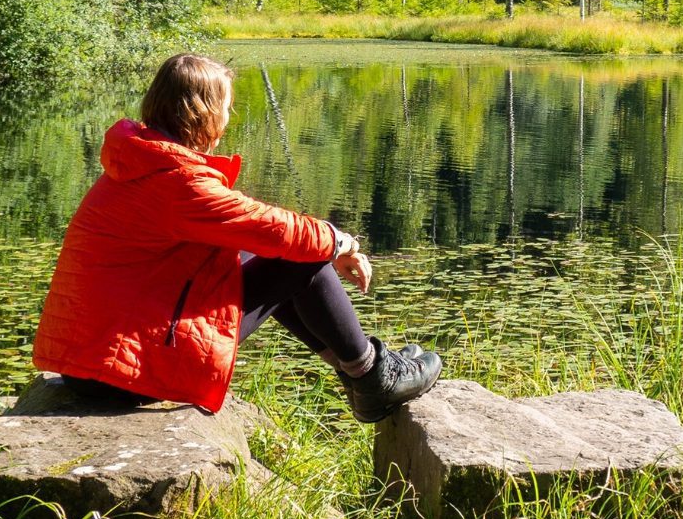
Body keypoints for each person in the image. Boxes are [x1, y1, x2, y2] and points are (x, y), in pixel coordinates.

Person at [31, 52, 441, 423]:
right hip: (123, 373)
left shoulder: (140, 161)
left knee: (268, 255)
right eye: (227, 107)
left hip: (90, 364)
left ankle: (361, 375)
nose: (230, 116)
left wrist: (325, 244)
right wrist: (341, 243)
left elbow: (254, 234)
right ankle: (373, 378)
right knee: (301, 257)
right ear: (202, 113)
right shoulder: (178, 182)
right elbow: (275, 229)